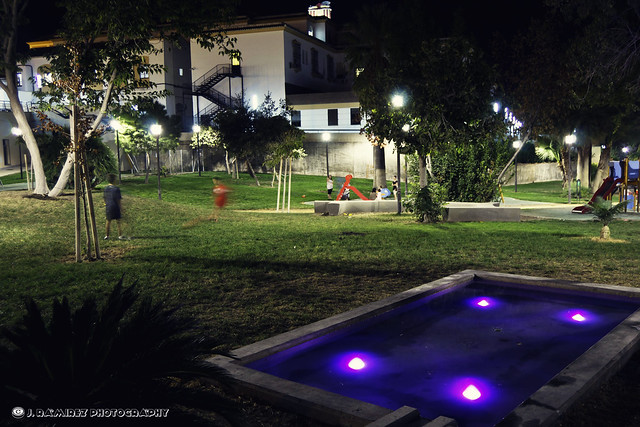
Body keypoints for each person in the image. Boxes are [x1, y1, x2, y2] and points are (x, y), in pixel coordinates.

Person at [103, 173, 124, 240]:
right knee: (118, 221)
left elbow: (104, 198)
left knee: (108, 221)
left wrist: (106, 204)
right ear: (114, 180)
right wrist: (121, 208)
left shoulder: (106, 188)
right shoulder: (116, 189)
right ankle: (120, 235)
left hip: (109, 206)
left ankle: (107, 235)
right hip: (116, 206)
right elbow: (118, 200)